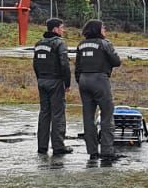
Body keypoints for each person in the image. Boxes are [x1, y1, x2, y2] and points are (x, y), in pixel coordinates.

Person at [74, 19, 123, 160]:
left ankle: (92, 151)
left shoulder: (81, 45)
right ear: (98, 30)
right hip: (100, 80)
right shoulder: (104, 43)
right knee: (107, 116)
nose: (105, 30)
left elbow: (77, 67)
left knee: (88, 117)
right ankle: (107, 151)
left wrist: (81, 80)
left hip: (84, 80)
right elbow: (116, 61)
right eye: (103, 28)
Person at [32, 18, 73, 155]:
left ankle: (42, 146)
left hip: (42, 81)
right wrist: (67, 83)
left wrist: (40, 79)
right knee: (58, 115)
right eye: (62, 27)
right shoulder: (59, 43)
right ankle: (58, 146)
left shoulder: (38, 44)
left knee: (44, 113)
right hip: (55, 81)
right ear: (55, 29)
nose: (63, 30)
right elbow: (64, 65)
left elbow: (35, 64)